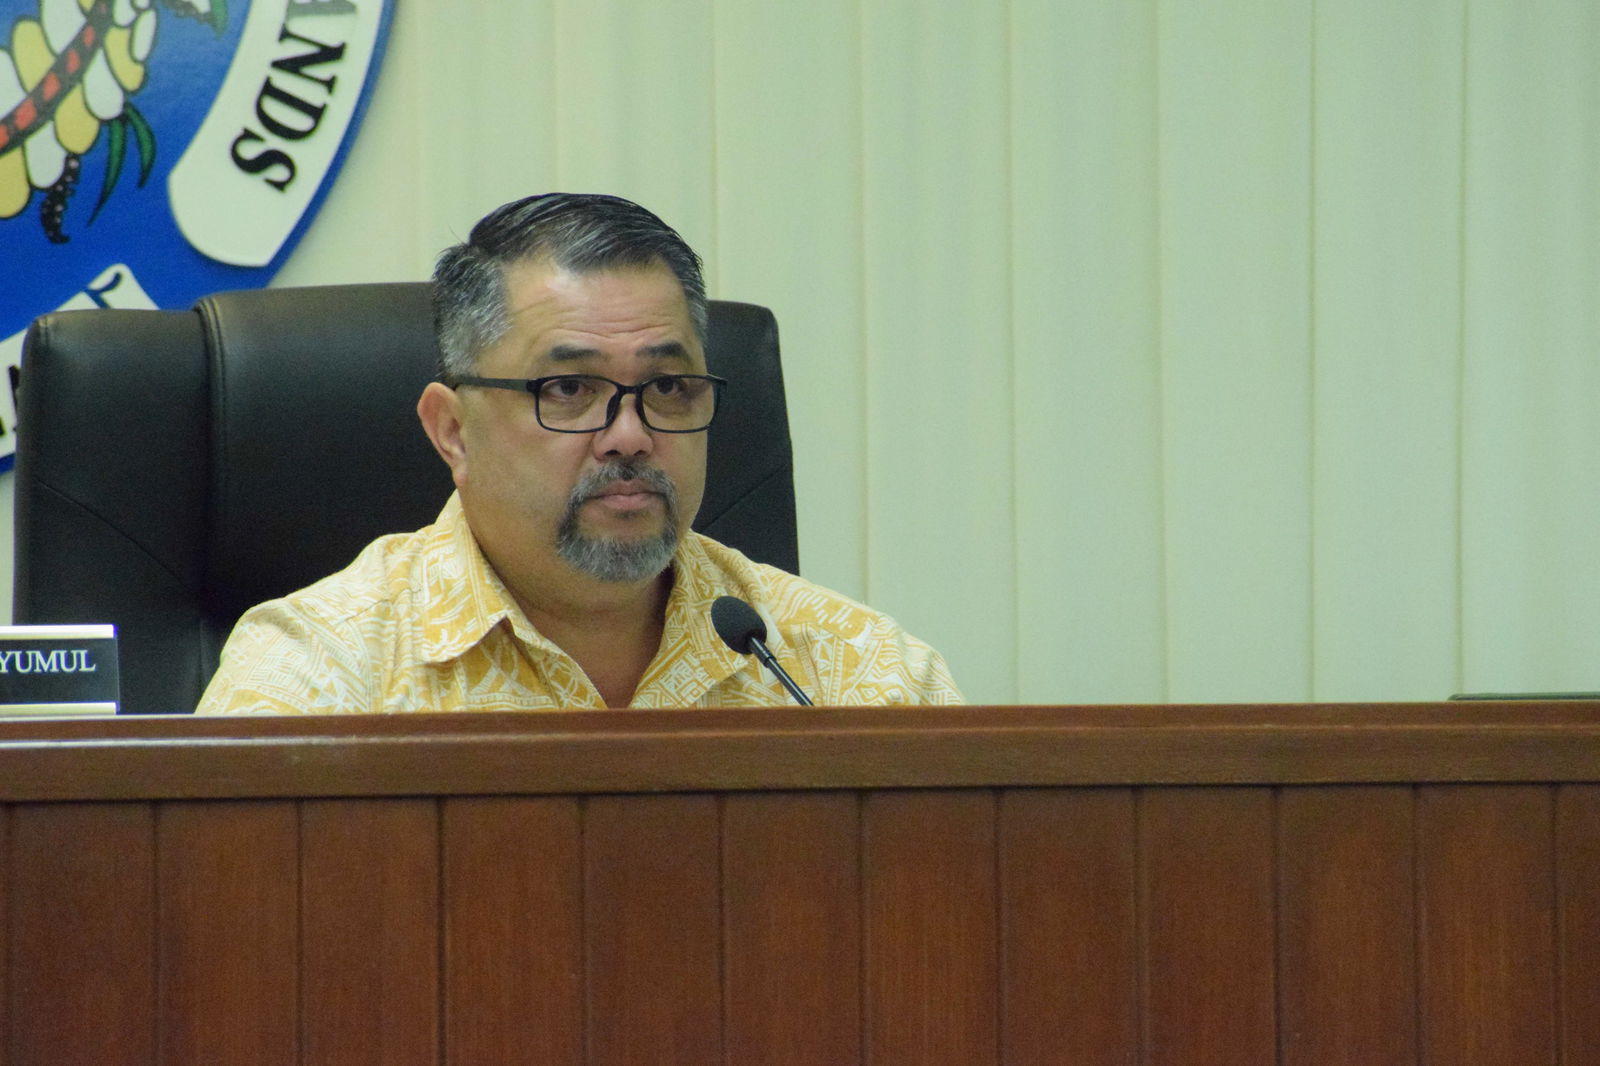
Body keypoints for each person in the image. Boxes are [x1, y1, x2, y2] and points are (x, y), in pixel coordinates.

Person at [197, 193, 961, 714]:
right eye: (568, 389)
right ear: (452, 431)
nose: (630, 434)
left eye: (668, 387)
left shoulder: (855, 679)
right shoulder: (320, 680)